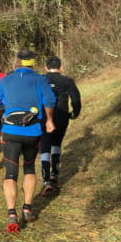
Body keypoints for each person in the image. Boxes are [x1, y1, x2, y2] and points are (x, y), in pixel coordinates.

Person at [0, 49, 56, 233]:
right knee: (28, 168)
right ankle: (27, 208)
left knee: (10, 173)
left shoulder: (5, 80)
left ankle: (11, 213)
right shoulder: (41, 80)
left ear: (15, 63)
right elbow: (50, 100)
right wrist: (49, 120)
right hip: (32, 131)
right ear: (33, 63)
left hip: (10, 131)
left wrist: (7, 106)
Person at [40, 56, 82, 196]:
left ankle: (45, 181)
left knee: (45, 146)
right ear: (61, 67)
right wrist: (74, 113)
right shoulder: (68, 81)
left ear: (46, 68)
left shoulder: (41, 80)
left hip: (44, 116)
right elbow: (76, 99)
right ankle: (54, 175)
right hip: (62, 115)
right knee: (56, 143)